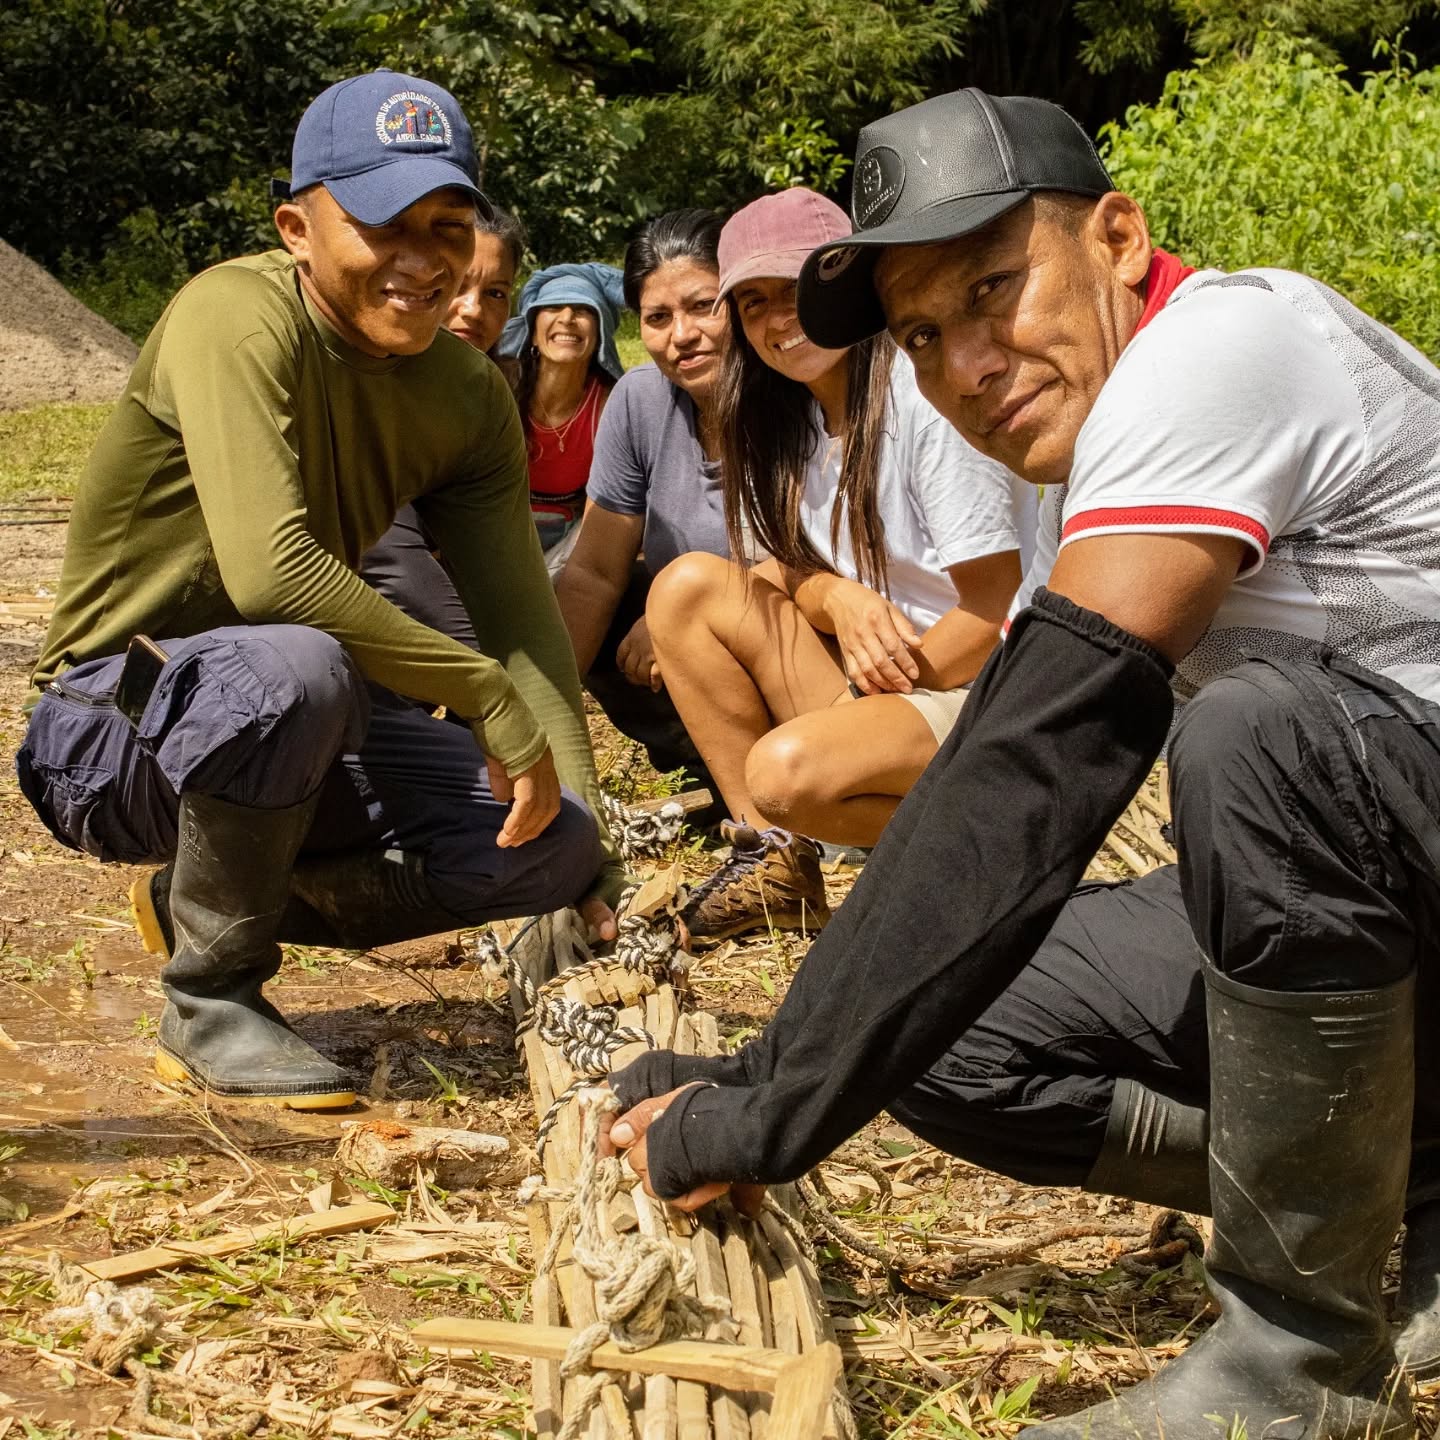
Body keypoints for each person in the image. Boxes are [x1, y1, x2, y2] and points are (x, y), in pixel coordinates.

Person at [600, 89, 1440, 1437]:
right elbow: (992, 786)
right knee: (953, 1034)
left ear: (1117, 237)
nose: (970, 361)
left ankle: (1300, 1361)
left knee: (1264, 738)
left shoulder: (1223, 345)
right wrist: (763, 1076)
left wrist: (770, 1118)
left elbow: (1038, 769)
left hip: (1406, 826)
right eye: (926, 335)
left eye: (998, 289)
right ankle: (1416, 1178)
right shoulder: (1082, 450)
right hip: (1406, 889)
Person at [15, 70, 622, 1113]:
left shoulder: (468, 394)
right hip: (107, 729)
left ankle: (201, 895)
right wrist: (478, 692)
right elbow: (271, 570)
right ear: (298, 226)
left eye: (447, 226)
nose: (423, 262)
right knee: (299, 659)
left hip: (297, 727)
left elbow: (523, 623)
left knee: (547, 843)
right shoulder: (233, 318)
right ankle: (212, 1000)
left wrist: (587, 830)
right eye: (384, 224)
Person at [647, 188, 1033, 942]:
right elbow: (764, 573)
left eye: (797, 292)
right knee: (685, 590)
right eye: (752, 302)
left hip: (984, 688)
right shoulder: (786, 419)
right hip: (891, 683)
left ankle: (994, 857)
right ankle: (774, 862)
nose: (776, 319)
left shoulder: (922, 396)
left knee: (785, 771)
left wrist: (862, 704)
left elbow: (994, 611)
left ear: (853, 284)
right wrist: (835, 597)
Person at [554, 208, 731, 786]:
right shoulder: (639, 400)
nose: (681, 335)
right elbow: (595, 572)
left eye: (704, 306)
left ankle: (789, 777)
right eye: (658, 317)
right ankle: (706, 766)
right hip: (691, 645)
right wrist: (540, 727)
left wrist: (677, 613)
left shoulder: (791, 393)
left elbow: (815, 564)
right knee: (588, 596)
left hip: (790, 628)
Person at [360, 204, 527, 644]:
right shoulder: (371, 374)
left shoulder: (496, 393)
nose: (472, 311)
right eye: (460, 285)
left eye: (494, 293)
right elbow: (387, 549)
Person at [498, 263, 625, 573]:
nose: (567, 318)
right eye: (553, 307)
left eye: (583, 310)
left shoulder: (612, 402)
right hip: (494, 534)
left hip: (568, 549)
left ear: (600, 334)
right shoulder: (500, 383)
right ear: (532, 331)